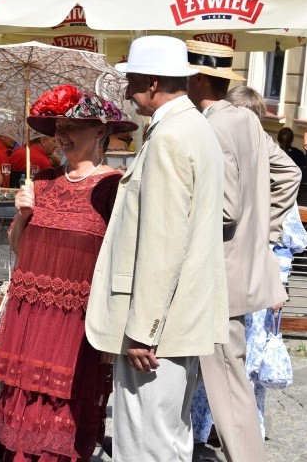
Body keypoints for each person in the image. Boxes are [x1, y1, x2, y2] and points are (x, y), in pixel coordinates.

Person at [86, 35, 229, 461]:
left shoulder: (170, 136)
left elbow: (162, 244)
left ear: (151, 83)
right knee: (167, 438)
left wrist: (143, 329)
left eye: (131, 80)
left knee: (146, 444)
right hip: (180, 317)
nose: (127, 90)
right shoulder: (192, 127)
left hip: (159, 326)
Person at [0, 85, 137, 461]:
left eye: (73, 125)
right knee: (22, 405)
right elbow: (20, 249)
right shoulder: (42, 181)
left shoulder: (113, 186)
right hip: (30, 315)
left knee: (65, 410)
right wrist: (22, 215)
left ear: (100, 131)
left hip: (76, 322)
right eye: (57, 126)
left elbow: (124, 256)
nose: (62, 134)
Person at [186, 42, 300, 462]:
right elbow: (290, 172)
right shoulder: (245, 122)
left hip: (216, 272)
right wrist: (263, 231)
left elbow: (224, 210)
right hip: (240, 269)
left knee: (226, 382)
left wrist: (254, 228)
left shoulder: (213, 126)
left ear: (198, 78)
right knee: (227, 378)